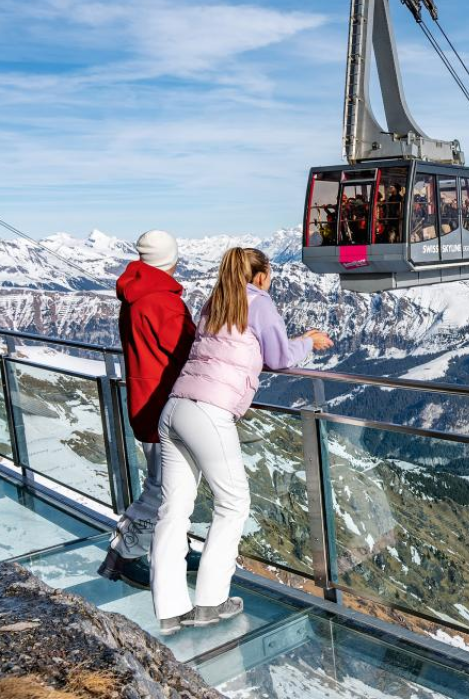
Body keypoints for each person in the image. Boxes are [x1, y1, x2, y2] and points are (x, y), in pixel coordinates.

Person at [150, 247, 333, 636]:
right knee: (233, 504)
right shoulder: (259, 302)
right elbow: (280, 356)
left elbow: (240, 349)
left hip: (176, 407)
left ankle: (169, 608)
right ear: (262, 276)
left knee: (174, 510)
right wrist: (308, 341)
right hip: (210, 412)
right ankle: (211, 602)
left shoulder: (216, 300)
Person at [98, 230, 198, 588]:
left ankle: (175, 547)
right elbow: (187, 351)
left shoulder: (136, 295)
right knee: (162, 486)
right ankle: (126, 555)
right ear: (171, 257)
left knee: (171, 483)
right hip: (164, 403)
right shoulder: (162, 301)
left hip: (145, 398)